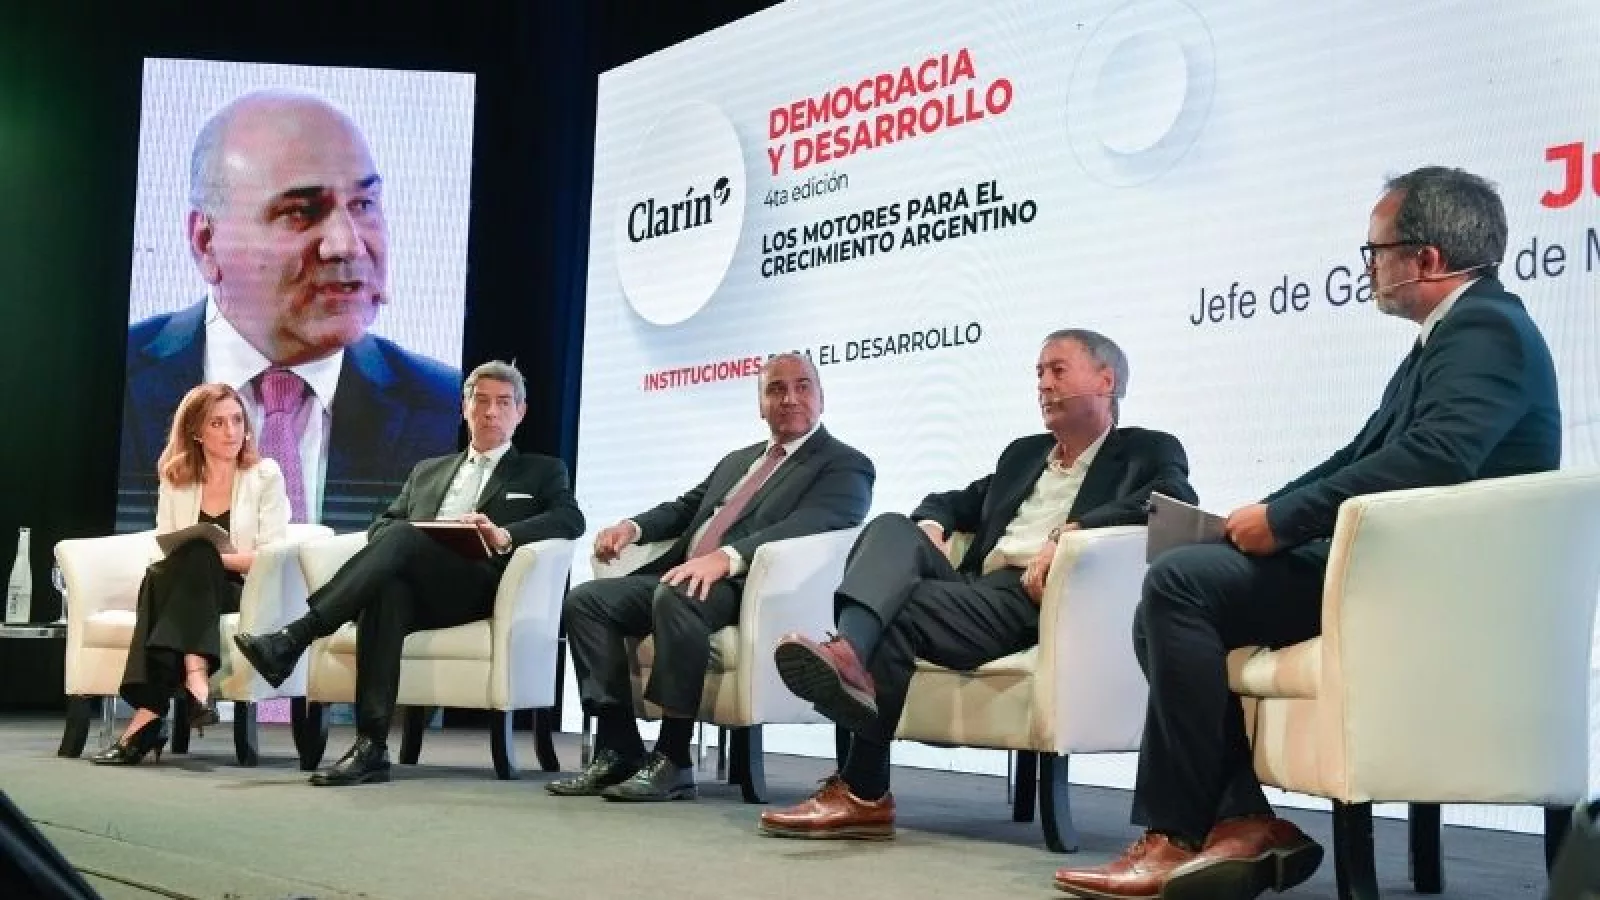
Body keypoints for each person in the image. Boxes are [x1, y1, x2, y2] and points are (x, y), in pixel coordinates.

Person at [1053, 167, 1562, 900]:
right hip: (1392, 572)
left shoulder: (1488, 329)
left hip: (1429, 590)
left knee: (1179, 586)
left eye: (1375, 250)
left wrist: (1286, 522)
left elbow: (1435, 457)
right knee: (1172, 593)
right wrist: (1257, 515)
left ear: (1427, 258)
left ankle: (1184, 833)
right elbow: (1360, 455)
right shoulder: (1449, 336)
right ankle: (1239, 821)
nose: (1368, 266)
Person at [758, 330, 1197, 839]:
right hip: (974, 590)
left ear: (1106, 380)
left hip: (1036, 600)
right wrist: (932, 525)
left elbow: (1172, 499)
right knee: (892, 526)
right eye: (1039, 374)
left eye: (1057, 371)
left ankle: (863, 790)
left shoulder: (1146, 450)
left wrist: (1073, 531)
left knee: (898, 612)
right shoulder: (1024, 455)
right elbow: (952, 501)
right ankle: (850, 661)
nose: (1043, 385)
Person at [119, 89, 460, 535]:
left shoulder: (446, 409)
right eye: (300, 212)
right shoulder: (114, 380)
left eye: (363, 205)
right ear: (206, 242)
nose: (346, 245)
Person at [231, 360, 585, 786]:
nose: (491, 411)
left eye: (504, 403)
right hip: (419, 586)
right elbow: (384, 524)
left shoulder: (542, 471)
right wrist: (416, 537)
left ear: (520, 413)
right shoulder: (428, 470)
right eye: (481, 401)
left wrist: (503, 534)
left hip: (478, 586)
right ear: (465, 408)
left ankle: (296, 636)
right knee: (387, 590)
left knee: (401, 539)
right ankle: (371, 747)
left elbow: (570, 519)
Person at [548, 353, 875, 802]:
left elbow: (814, 524)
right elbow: (686, 507)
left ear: (821, 397)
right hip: (682, 575)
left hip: (753, 590)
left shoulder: (845, 464)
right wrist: (633, 528)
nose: (789, 398)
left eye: (802, 387)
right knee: (586, 601)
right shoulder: (739, 460)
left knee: (676, 596)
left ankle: (673, 758)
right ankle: (617, 746)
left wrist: (727, 558)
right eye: (776, 389)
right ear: (760, 405)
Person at [93, 383, 290, 765]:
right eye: (218, 423)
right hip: (187, 588)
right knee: (166, 571)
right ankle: (191, 682)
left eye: (237, 420)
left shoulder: (264, 475)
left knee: (196, 555)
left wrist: (216, 559)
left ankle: (152, 715)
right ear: (196, 431)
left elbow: (271, 556)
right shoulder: (176, 477)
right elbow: (165, 543)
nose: (231, 431)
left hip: (241, 588)